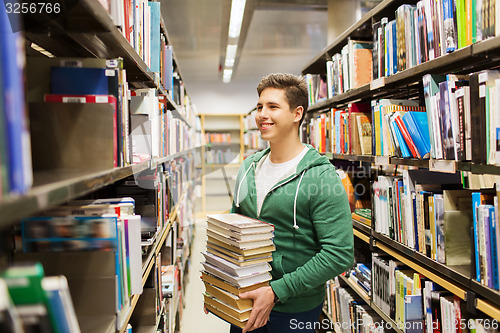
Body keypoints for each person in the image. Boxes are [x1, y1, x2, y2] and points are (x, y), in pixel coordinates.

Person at [228, 73, 354, 333]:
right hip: (245, 301)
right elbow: (235, 227)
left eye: (273, 107)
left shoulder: (321, 176)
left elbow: (339, 254)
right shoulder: (248, 167)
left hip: (293, 309)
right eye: (260, 106)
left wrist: (276, 291)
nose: (262, 114)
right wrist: (220, 281)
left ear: (297, 114)